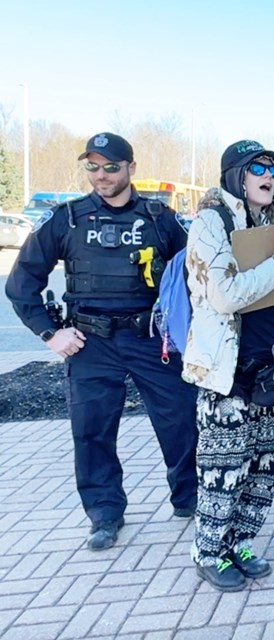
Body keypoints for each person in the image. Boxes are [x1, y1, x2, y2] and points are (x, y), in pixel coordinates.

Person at [4, 132, 199, 551]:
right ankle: (104, 514)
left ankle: (190, 499)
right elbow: (21, 285)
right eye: (92, 166)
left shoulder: (160, 218)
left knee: (181, 420)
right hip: (90, 343)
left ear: (131, 168)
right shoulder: (66, 218)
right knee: (91, 432)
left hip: (151, 339)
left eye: (111, 166)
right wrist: (50, 333)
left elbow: (196, 274)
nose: (101, 174)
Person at [183, 141, 274, 591]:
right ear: (237, 175)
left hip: (270, 368)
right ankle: (209, 551)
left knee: (264, 466)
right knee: (223, 469)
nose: (271, 175)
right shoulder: (211, 221)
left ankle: (241, 542)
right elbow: (223, 295)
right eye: (260, 167)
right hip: (227, 372)